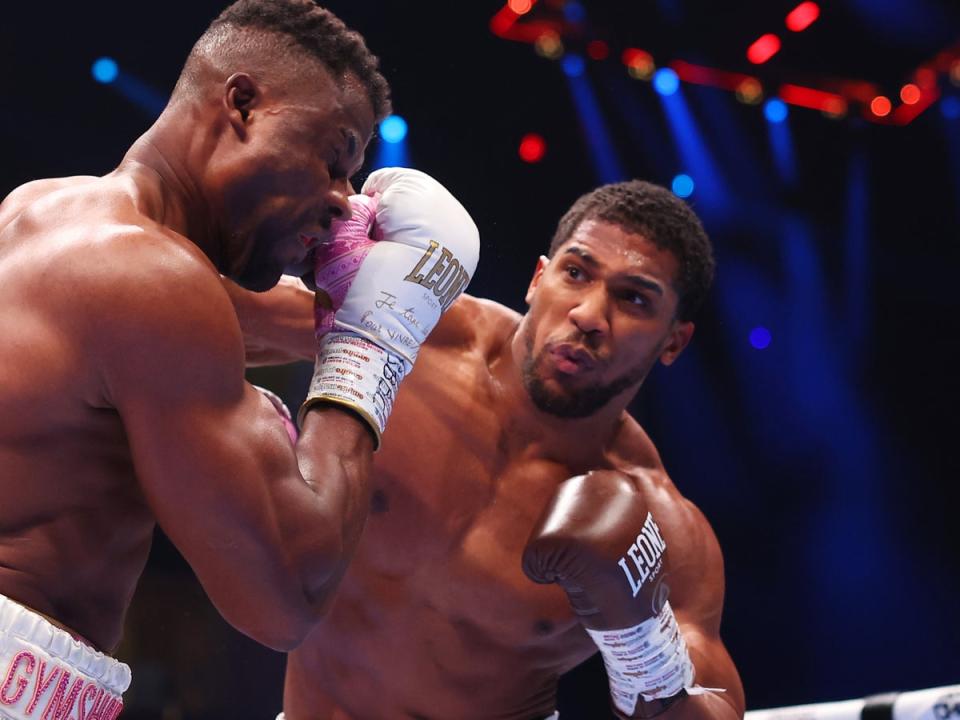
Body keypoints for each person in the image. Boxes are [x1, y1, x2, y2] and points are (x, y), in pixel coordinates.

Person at [0, 1, 478, 718]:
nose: (344, 205)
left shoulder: (45, 211)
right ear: (243, 104)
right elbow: (287, 595)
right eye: (334, 159)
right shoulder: (155, 283)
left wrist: (392, 297)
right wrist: (372, 343)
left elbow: (243, 321)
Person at [235, 180, 746, 719]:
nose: (590, 315)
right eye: (576, 273)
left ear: (674, 341)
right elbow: (183, 297)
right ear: (538, 277)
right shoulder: (412, 332)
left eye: (633, 298)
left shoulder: (661, 526)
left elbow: (714, 708)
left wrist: (645, 647)